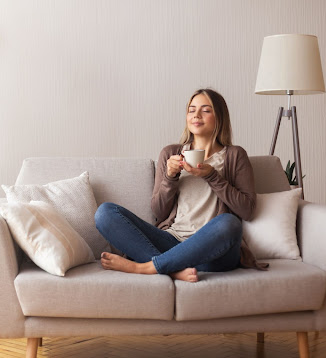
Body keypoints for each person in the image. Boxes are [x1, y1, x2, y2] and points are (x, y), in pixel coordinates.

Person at [94, 88, 267, 283]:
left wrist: (212, 176)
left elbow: (247, 210)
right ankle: (172, 270)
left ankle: (145, 267)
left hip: (213, 253)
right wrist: (170, 177)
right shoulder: (171, 153)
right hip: (172, 243)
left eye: (206, 110)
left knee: (229, 223)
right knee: (105, 213)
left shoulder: (235, 156)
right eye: (191, 110)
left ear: (220, 116)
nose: (196, 115)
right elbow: (159, 212)